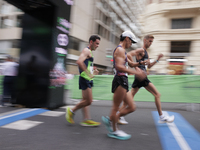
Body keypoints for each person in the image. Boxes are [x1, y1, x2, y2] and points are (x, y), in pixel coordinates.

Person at [119, 34, 175, 124]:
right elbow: (129, 54)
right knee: (157, 94)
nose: (151, 43)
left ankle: (118, 115)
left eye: (152, 41)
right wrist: (137, 69)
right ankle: (162, 117)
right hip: (141, 77)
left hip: (140, 77)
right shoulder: (141, 50)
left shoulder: (146, 52)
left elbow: (148, 66)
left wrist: (157, 59)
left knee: (129, 100)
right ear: (145, 40)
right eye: (150, 41)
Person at [101, 31, 147, 140]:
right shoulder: (120, 50)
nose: (131, 44)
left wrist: (140, 63)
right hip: (120, 79)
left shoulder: (123, 51)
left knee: (132, 107)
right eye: (131, 41)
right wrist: (137, 73)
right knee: (116, 107)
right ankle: (114, 130)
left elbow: (130, 64)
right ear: (127, 38)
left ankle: (112, 119)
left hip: (123, 80)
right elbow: (119, 67)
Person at [66, 35, 101, 127]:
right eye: (96, 43)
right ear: (91, 42)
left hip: (88, 78)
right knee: (89, 101)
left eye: (98, 44)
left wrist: (92, 70)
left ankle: (86, 119)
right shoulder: (86, 50)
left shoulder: (90, 52)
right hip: (85, 78)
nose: (98, 45)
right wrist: (87, 73)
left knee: (85, 100)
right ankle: (71, 111)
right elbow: (79, 62)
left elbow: (86, 63)